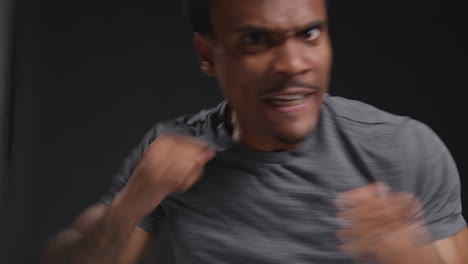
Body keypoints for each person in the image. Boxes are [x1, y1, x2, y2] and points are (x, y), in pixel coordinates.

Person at [42, 0, 468, 263]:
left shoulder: (405, 149)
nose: (292, 64)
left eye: (310, 33)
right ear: (207, 55)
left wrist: (407, 257)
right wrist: (131, 203)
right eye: (256, 40)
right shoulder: (170, 151)